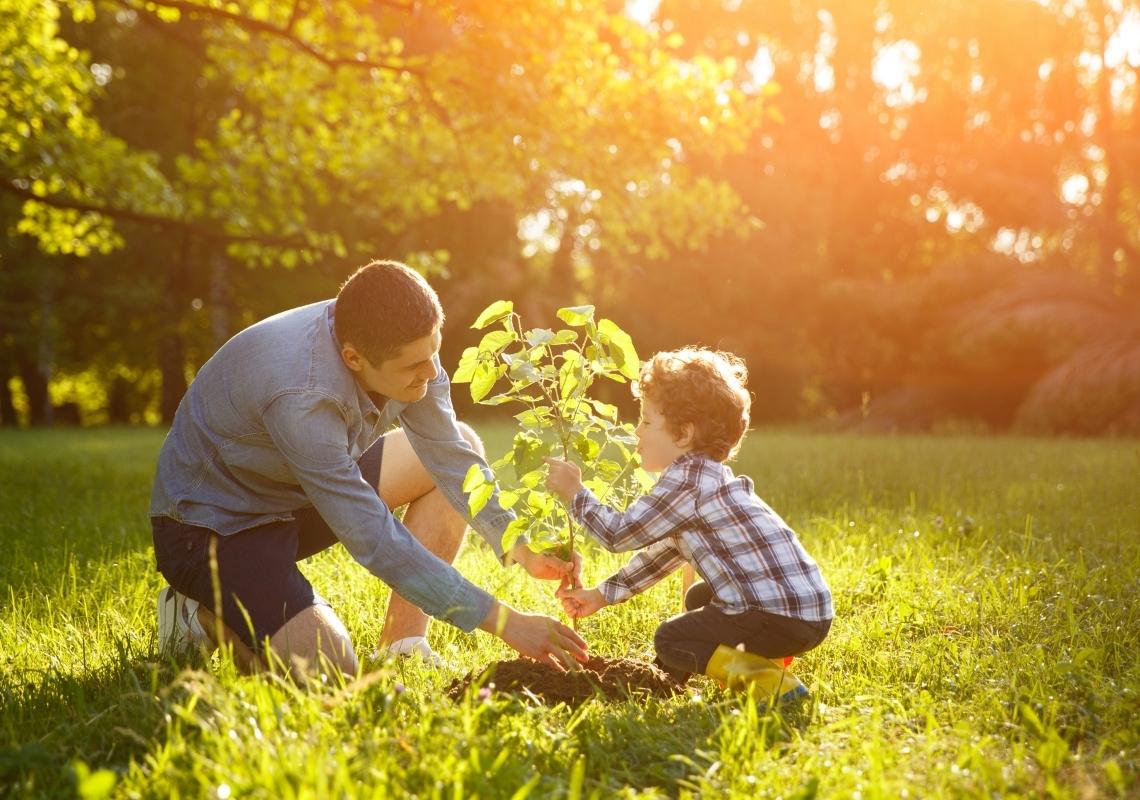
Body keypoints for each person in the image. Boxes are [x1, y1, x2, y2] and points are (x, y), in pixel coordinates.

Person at [150, 260, 587, 678]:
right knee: (328, 674)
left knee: (465, 442)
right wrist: (505, 622)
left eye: (434, 351)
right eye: (414, 366)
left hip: (297, 490)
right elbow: (375, 538)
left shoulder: (401, 343)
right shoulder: (302, 394)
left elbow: (451, 457)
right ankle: (198, 611)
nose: (433, 372)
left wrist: (521, 546)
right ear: (354, 358)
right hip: (215, 528)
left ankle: (403, 646)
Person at [546, 348, 832, 701]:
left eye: (647, 421)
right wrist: (601, 595)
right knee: (699, 597)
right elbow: (662, 556)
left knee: (672, 638)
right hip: (805, 612)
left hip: (778, 616)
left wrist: (575, 494)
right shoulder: (704, 479)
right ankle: (666, 681)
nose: (637, 431)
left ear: (683, 434)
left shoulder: (686, 481)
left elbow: (618, 534)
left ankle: (769, 683)